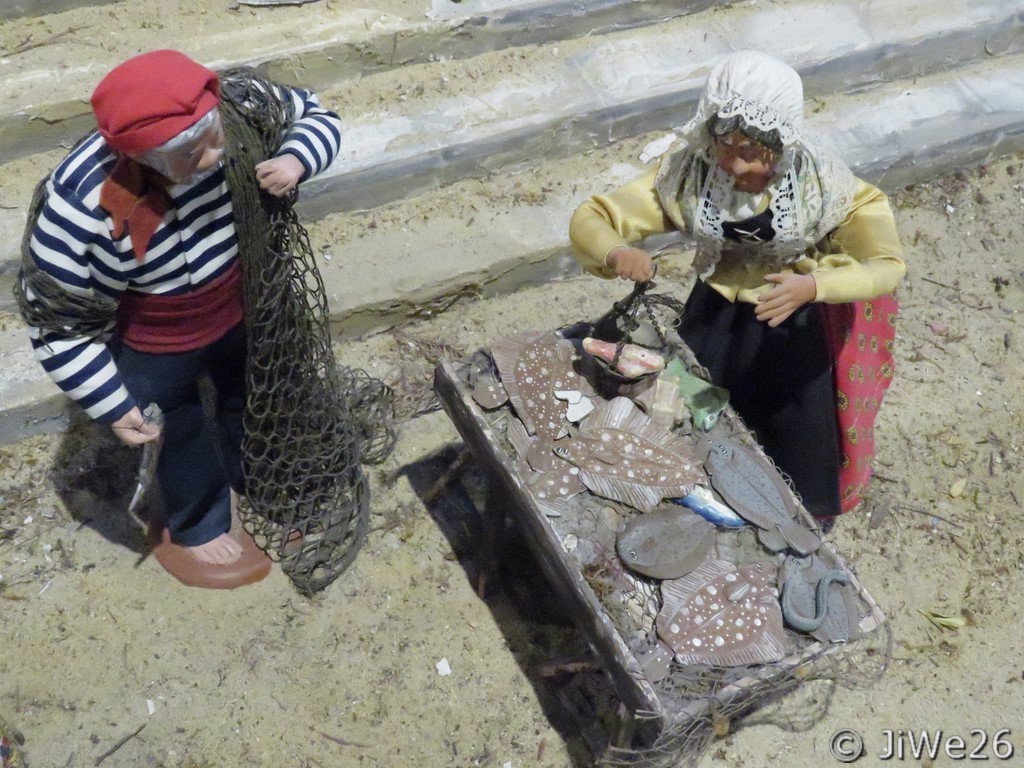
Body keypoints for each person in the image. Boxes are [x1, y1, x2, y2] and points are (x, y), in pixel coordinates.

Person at [16, 50, 343, 586]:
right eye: (190, 154)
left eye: (214, 138)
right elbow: (57, 322)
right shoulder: (79, 203)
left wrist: (296, 160)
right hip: (153, 338)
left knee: (255, 397)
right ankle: (198, 521)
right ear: (142, 155)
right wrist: (110, 402)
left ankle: (260, 479)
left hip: (241, 304)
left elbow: (316, 114)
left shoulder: (236, 111)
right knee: (178, 432)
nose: (213, 156)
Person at [569, 50, 906, 524]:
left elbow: (885, 263)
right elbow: (595, 215)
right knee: (694, 403)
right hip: (716, 312)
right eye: (724, 147)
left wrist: (815, 285)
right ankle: (698, 487)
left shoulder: (827, 191)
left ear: (781, 143)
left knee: (793, 427)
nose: (733, 165)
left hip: (791, 323)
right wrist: (615, 250)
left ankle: (794, 515)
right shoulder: (692, 176)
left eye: (749, 152)